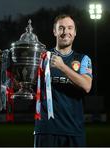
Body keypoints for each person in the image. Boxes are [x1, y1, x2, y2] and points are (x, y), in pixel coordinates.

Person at [34, 14, 93, 147]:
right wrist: (7, 68)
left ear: (75, 32)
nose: (65, 32)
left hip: (74, 130)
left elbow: (87, 86)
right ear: (54, 31)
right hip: (46, 129)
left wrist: (62, 66)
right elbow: (25, 84)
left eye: (69, 28)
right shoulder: (42, 57)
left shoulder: (84, 59)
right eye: (61, 28)